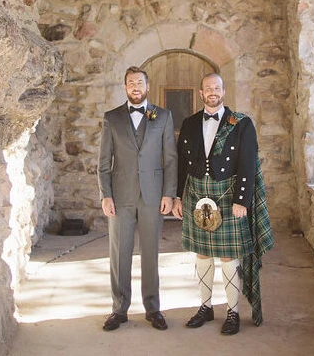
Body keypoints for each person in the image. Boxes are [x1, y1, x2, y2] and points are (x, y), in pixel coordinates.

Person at [172, 72, 274, 335]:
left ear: (223, 91)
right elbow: (181, 163)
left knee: (229, 255)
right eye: (208, 88)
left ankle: (232, 312)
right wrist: (176, 196)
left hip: (228, 195)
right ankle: (205, 307)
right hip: (197, 194)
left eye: (217, 87)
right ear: (201, 92)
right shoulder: (190, 122)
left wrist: (242, 200)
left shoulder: (240, 124)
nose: (212, 92)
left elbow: (248, 164)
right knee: (202, 252)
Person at [97, 66, 177, 331]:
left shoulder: (163, 116)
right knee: (119, 253)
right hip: (121, 196)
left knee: (151, 252)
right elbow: (103, 162)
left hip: (153, 195)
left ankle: (153, 308)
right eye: (131, 82)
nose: (135, 86)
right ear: (125, 87)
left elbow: (170, 159)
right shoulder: (112, 118)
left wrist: (169, 193)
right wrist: (105, 195)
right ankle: (119, 310)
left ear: (147, 86)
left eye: (139, 82)